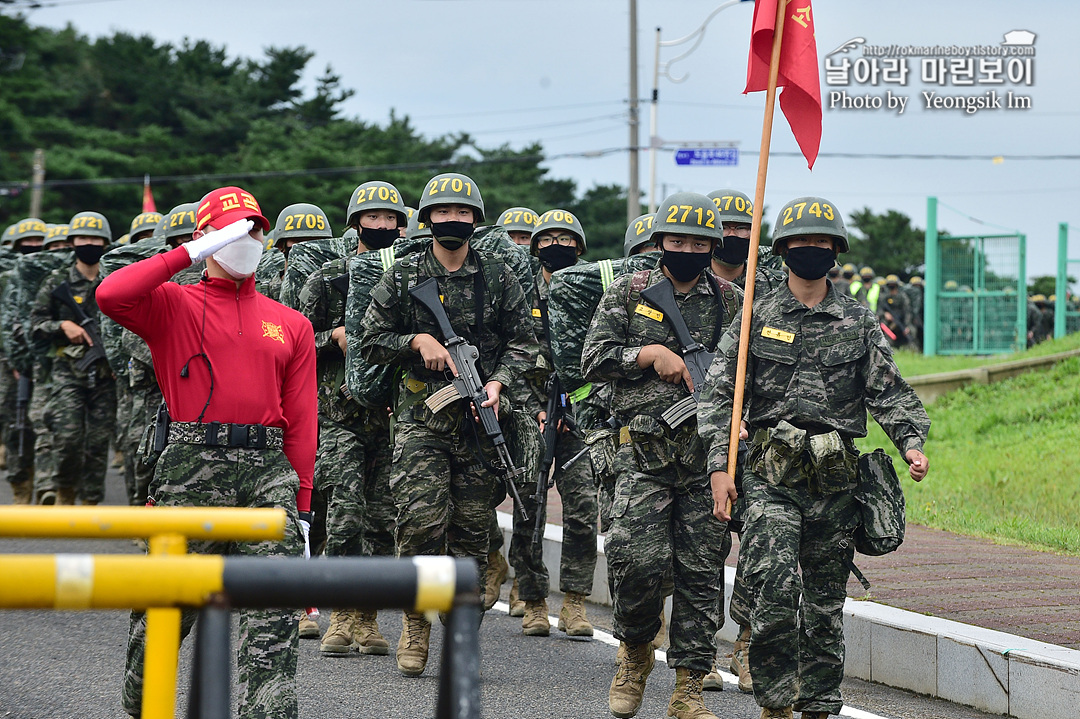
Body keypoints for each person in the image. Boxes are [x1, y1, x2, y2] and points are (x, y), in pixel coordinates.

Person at [698, 196, 930, 719]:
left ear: (835, 251)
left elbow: (888, 392)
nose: (811, 250)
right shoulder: (756, 316)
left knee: (824, 608)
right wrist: (719, 467)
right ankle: (775, 705)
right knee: (775, 594)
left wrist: (911, 443)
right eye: (800, 242)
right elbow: (718, 396)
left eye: (821, 243)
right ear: (782, 250)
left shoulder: (857, 320)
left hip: (835, 481)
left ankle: (819, 705)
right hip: (769, 478)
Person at [97, 185, 316, 719]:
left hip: (267, 472)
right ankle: (141, 705)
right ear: (205, 237)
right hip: (189, 470)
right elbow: (111, 295)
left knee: (274, 620)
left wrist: (305, 511)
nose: (249, 237)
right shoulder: (172, 304)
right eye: (234, 228)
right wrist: (187, 254)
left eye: (256, 228)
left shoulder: (290, 323)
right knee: (163, 614)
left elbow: (303, 419)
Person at [358, 171, 538, 678]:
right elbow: (370, 340)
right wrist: (416, 342)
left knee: (470, 536)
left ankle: (461, 635)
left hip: (481, 424)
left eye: (462, 213)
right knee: (420, 523)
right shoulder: (403, 275)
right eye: (443, 212)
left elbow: (527, 343)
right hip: (422, 419)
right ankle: (416, 622)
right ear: (428, 218)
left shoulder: (498, 276)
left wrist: (499, 382)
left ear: (475, 220)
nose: (452, 220)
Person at [582, 192, 741, 719]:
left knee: (701, 574)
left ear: (713, 245)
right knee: (637, 564)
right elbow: (592, 359)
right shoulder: (629, 293)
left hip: (704, 461)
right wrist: (648, 355)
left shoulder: (730, 302)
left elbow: (750, 372)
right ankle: (633, 652)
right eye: (679, 241)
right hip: (642, 458)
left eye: (700, 242)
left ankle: (689, 685)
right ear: (660, 242)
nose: (689, 250)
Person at [295, 180, 406, 657]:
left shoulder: (411, 277)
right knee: (344, 513)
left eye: (389, 218)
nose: (380, 225)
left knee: (383, 520)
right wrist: (332, 336)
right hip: (338, 414)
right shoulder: (330, 278)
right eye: (372, 217)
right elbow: (295, 340)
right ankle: (339, 612)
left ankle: (368, 617)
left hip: (393, 417)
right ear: (356, 222)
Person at [507, 208, 598, 638]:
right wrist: (534, 408)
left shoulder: (590, 294)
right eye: (546, 239)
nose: (554, 246)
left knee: (583, 510)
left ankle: (576, 604)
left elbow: (598, 362)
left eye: (565, 239)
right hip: (529, 416)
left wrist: (573, 407)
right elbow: (509, 357)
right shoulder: (521, 295)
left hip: (577, 418)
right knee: (530, 510)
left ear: (579, 248)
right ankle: (534, 600)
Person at [30, 211, 117, 506]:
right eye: (83, 239)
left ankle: (90, 502)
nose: (89, 244)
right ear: (72, 242)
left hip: (106, 373)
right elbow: (36, 325)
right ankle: (65, 490)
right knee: (68, 438)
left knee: (97, 443)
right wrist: (61, 326)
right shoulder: (56, 281)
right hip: (68, 371)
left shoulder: (115, 279)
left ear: (105, 242)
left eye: (95, 239)